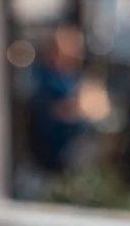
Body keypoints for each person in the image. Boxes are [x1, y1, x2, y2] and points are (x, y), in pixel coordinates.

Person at [29, 25, 90, 173]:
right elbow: (52, 109)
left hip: (76, 148)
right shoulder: (43, 76)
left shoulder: (74, 75)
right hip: (52, 148)